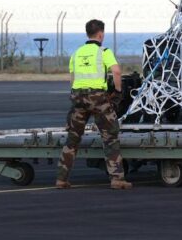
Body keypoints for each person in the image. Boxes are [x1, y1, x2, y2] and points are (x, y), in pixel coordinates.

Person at [55, 19, 132, 190]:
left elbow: (73, 78)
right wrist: (118, 92)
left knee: (72, 139)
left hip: (78, 97)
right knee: (110, 138)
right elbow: (117, 71)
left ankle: (61, 178)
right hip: (98, 98)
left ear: (87, 33)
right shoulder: (103, 51)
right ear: (101, 34)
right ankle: (117, 179)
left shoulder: (76, 53)